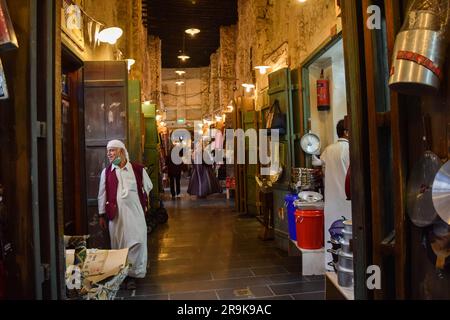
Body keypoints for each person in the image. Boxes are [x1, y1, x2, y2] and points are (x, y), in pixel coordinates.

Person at [97, 140, 153, 290]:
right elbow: (102, 195)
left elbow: (148, 187)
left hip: (135, 214)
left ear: (121, 151)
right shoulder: (107, 172)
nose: (109, 154)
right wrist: (102, 215)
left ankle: (134, 273)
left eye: (112, 150)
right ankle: (126, 276)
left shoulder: (137, 169)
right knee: (120, 246)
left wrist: (144, 202)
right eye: (108, 151)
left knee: (138, 242)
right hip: (116, 217)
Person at [314, 120, 352, 271]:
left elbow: (320, 164)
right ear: (346, 132)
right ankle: (346, 263)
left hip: (331, 198)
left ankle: (330, 263)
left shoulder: (329, 150)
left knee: (332, 230)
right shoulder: (350, 149)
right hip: (347, 197)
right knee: (347, 231)